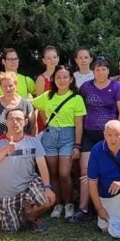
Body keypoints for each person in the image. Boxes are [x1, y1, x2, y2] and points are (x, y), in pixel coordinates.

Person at [71, 57, 120, 221]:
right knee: (86, 172)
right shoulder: (85, 87)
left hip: (110, 136)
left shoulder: (116, 87)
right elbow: (79, 110)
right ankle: (83, 208)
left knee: (109, 170)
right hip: (89, 134)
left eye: (104, 69)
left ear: (108, 71)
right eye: (97, 69)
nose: (101, 72)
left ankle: (106, 205)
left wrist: (119, 131)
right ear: (93, 71)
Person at [0, 108, 56, 232]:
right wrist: (6, 149)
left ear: (25, 122)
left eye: (19, 119)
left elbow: (42, 165)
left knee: (48, 200)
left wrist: (47, 187)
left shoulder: (34, 141)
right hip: (7, 191)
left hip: (28, 183)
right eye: (11, 119)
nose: (15, 122)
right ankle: (21, 209)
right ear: (6, 122)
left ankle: (31, 216)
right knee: (12, 230)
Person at [32, 65, 86, 220]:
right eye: (58, 77)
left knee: (64, 173)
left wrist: (77, 145)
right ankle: (57, 203)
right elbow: (31, 104)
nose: (62, 80)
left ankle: (69, 204)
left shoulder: (76, 98)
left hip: (68, 137)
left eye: (65, 77)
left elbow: (79, 124)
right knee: (53, 173)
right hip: (50, 136)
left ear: (70, 79)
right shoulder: (48, 95)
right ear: (53, 80)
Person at [0, 72, 36, 151]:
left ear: (16, 86)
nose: (8, 88)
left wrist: (31, 145)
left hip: (22, 150)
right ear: (1, 87)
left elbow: (33, 127)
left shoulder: (26, 104)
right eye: (4, 86)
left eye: (10, 85)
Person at [34, 45, 60, 133]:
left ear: (58, 59)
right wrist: (47, 123)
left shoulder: (64, 76)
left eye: (54, 57)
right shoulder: (41, 79)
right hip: (46, 120)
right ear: (44, 61)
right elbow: (40, 105)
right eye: (48, 58)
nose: (52, 60)